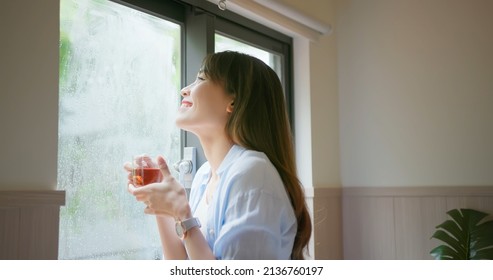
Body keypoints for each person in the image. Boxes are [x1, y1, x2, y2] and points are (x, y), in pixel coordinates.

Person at [125, 51, 311, 260]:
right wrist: (165, 204)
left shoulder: (253, 174)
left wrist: (182, 214)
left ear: (233, 101)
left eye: (201, 79)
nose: (184, 90)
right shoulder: (204, 176)